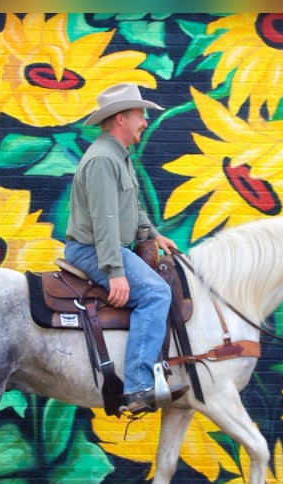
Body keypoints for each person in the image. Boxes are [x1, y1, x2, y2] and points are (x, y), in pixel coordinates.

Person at [64, 83, 190, 415]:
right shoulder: (104, 160)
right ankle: (137, 386)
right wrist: (115, 272)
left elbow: (130, 209)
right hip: (94, 250)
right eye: (140, 115)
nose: (145, 122)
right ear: (121, 118)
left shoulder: (119, 157)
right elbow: (105, 221)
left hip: (105, 247)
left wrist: (154, 234)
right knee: (156, 294)